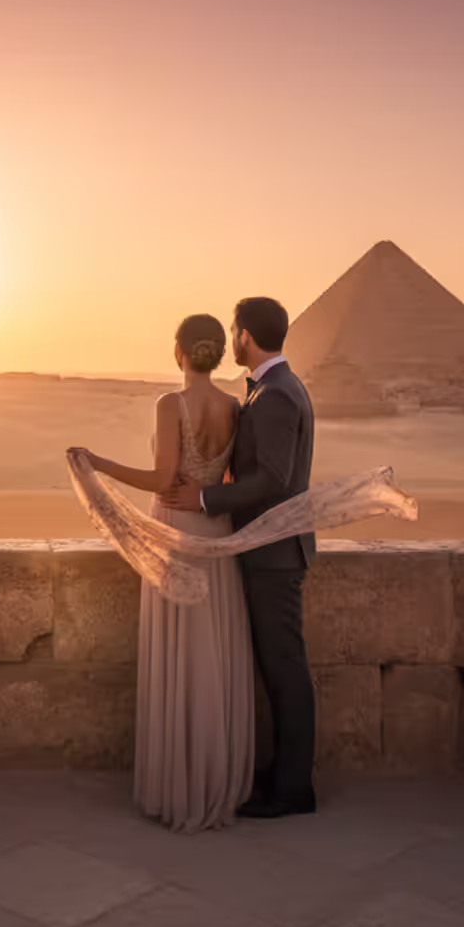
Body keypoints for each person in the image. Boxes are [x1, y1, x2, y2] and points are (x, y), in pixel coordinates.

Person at [70, 315, 253, 832]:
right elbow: (229, 478)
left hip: (174, 530)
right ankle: (216, 781)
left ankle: (183, 785)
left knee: (184, 651)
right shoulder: (233, 407)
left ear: (179, 352)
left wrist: (97, 463)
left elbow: (161, 478)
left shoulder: (169, 404)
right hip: (214, 531)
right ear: (217, 354)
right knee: (212, 651)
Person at [161, 296, 318, 819]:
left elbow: (272, 478)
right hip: (267, 548)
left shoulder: (274, 395)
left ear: (246, 336)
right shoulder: (275, 389)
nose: (231, 340)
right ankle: (280, 777)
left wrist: (205, 499)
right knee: (277, 671)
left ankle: (293, 790)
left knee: (285, 671)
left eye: (235, 331)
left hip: (273, 554)